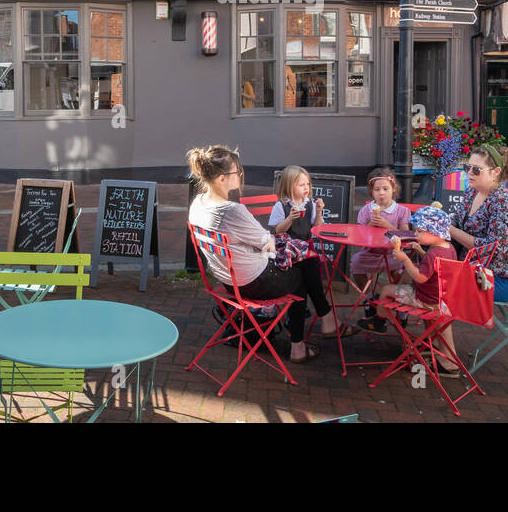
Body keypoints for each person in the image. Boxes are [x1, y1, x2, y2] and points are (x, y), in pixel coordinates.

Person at [187, 145, 340, 363]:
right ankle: (303, 342)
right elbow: (268, 244)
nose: (240, 175)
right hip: (251, 282)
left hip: (225, 279)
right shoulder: (232, 210)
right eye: (236, 172)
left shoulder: (198, 204)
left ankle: (325, 321)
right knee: (304, 271)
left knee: (303, 263)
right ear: (222, 178)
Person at [374, 206, 461, 376]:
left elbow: (421, 277)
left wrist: (405, 258)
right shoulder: (448, 248)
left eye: (420, 231)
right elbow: (436, 268)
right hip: (442, 297)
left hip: (426, 300)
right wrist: (421, 250)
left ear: (435, 232)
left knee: (386, 289)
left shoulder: (433, 254)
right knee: (405, 276)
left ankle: (379, 321)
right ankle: (393, 319)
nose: (416, 234)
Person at [447, 143, 508, 305]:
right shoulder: (472, 192)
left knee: (440, 284)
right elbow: (456, 220)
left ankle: (436, 328)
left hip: (503, 278)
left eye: (476, 169)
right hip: (473, 268)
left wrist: (449, 230)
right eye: (467, 167)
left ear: (495, 172)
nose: (469, 173)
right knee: (426, 272)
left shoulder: (507, 203)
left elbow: (492, 248)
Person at [350, 168, 411, 332]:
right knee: (355, 262)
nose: (381, 193)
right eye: (377, 190)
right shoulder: (366, 211)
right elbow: (359, 235)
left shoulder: (402, 211)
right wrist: (370, 226)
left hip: (394, 254)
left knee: (403, 272)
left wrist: (388, 226)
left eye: (385, 189)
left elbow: (405, 235)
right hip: (372, 253)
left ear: (394, 189)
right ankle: (369, 300)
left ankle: (399, 308)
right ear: (371, 192)